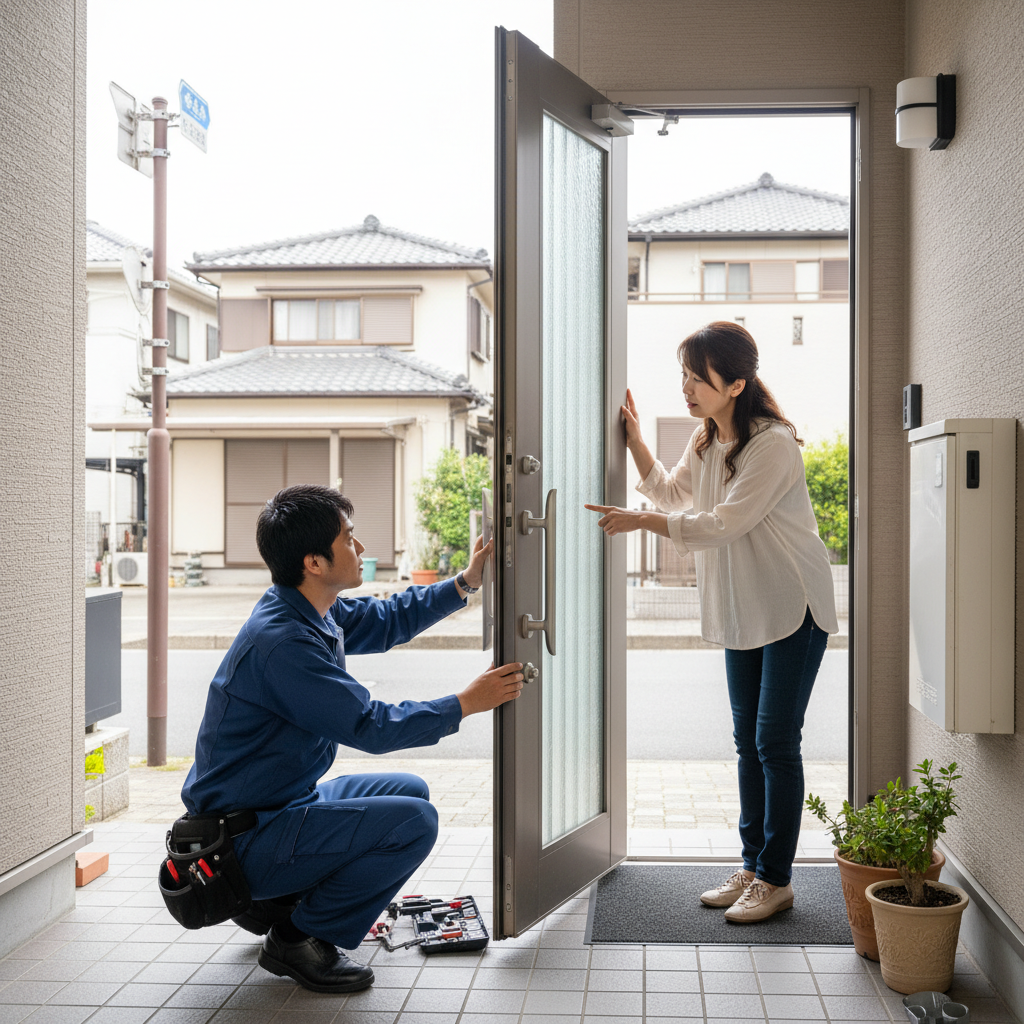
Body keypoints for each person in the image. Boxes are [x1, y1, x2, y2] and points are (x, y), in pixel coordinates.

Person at [180, 483, 522, 991]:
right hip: (244, 839)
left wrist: (466, 582)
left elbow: (386, 619)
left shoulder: (307, 609)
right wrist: (466, 702)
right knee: (413, 822)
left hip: (281, 806)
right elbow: (370, 726)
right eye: (349, 538)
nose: (360, 549)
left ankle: (284, 902)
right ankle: (297, 938)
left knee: (410, 792)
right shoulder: (283, 643)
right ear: (314, 562)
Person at [586, 320, 838, 923]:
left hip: (792, 607)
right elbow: (676, 496)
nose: (688, 387)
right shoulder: (706, 443)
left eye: (699, 378)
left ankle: (776, 879)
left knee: (775, 743)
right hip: (744, 609)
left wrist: (639, 522)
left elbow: (723, 522)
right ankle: (752, 867)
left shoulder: (772, 444)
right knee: (748, 745)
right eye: (685, 376)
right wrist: (634, 440)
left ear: (737, 383)